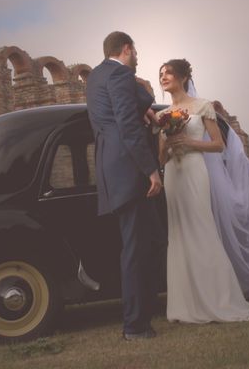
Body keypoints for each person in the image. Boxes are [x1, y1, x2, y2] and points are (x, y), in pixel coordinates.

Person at [157, 59, 249, 323]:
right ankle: (185, 307)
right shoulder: (163, 116)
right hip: (174, 175)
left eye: (168, 72)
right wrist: (168, 142)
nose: (163, 77)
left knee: (202, 231)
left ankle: (219, 300)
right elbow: (161, 160)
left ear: (182, 77)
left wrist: (190, 142)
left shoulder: (202, 106)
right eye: (160, 74)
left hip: (195, 171)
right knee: (179, 236)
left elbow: (218, 145)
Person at [86, 31, 164, 340]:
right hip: (129, 169)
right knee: (135, 249)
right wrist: (151, 171)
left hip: (113, 167)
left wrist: (142, 105)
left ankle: (146, 310)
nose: (137, 58)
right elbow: (127, 125)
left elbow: (122, 113)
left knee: (154, 241)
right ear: (127, 49)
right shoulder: (119, 75)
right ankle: (135, 325)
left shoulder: (96, 77)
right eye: (136, 52)